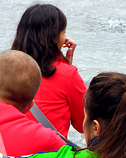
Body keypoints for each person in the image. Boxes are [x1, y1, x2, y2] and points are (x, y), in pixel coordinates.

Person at [11, 3, 86, 138]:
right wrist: (67, 68)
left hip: (9, 155)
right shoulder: (68, 75)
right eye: (63, 33)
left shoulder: (3, 69)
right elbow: (84, 124)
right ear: (54, 38)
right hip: (51, 156)